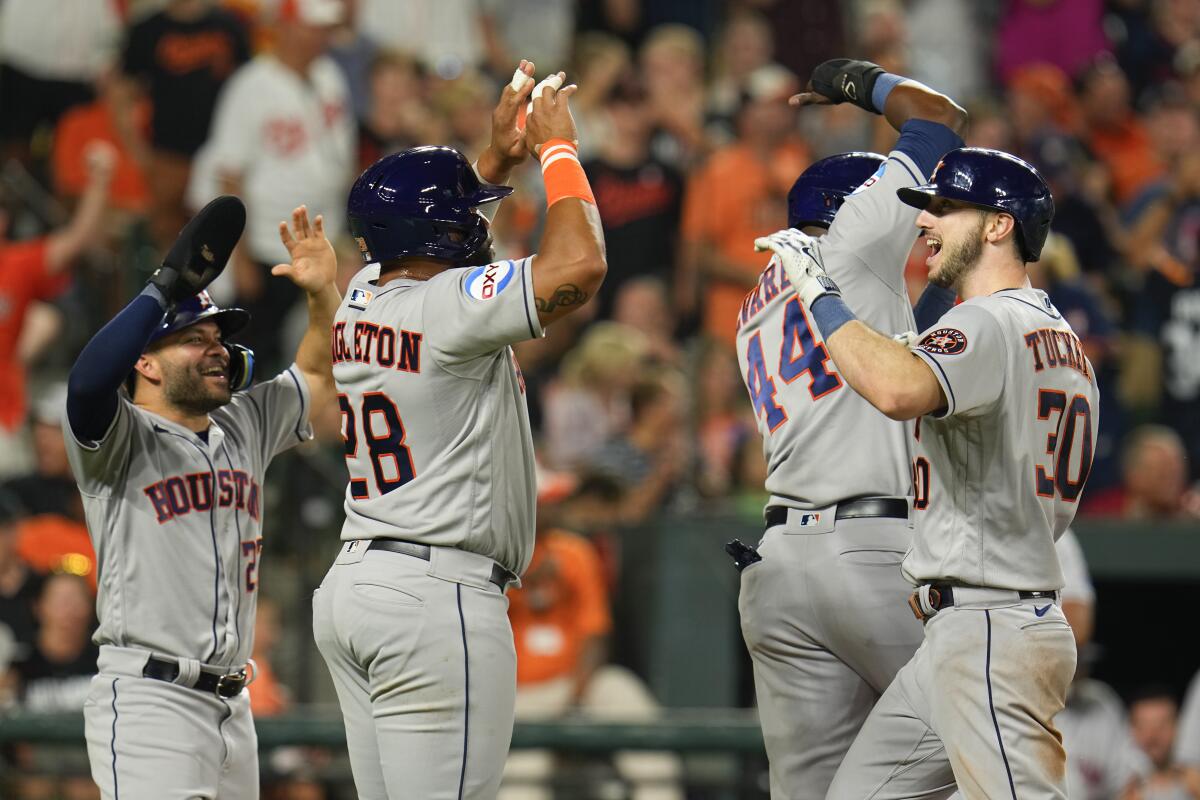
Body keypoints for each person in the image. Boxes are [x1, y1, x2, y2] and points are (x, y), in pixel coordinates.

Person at [756, 142, 1099, 796]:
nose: (923, 222)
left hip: (992, 626)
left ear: (999, 225)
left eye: (946, 206)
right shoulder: (1055, 334)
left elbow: (896, 389)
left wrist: (819, 289)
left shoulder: (989, 321)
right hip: (970, 623)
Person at [311, 60, 606, 799]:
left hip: (358, 584)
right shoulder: (446, 308)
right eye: (465, 212)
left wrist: (495, 158)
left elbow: (448, 248)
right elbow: (581, 264)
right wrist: (556, 150)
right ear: (440, 231)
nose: (477, 220)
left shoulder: (361, 292)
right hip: (436, 597)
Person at [731, 57, 966, 797]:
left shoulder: (755, 301)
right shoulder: (854, 242)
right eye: (912, 205)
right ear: (858, 204)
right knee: (978, 740)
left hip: (780, 563)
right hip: (868, 549)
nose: (923, 219)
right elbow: (937, 116)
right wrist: (849, 78)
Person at [61, 194, 339, 799]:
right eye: (193, 339)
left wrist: (322, 295)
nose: (216, 347)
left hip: (234, 707)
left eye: (219, 336)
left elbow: (317, 376)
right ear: (146, 363)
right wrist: (163, 289)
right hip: (149, 700)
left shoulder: (243, 422)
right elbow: (86, 384)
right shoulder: (118, 439)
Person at [1125, 688, 1200, 799]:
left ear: (1177, 726)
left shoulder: (1194, 783)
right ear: (1133, 730)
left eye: (1161, 726)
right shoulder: (1129, 791)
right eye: (1144, 726)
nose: (1152, 736)